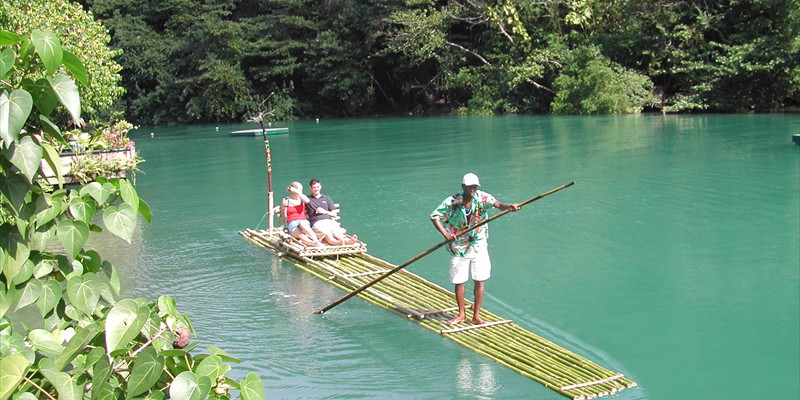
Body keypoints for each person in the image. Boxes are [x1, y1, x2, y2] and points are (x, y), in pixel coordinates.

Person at [430, 173, 520, 326]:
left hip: (478, 243)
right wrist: (446, 233)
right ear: (463, 187)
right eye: (470, 187)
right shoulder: (453, 201)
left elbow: (498, 204)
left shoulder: (482, 198)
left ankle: (476, 315)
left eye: (474, 187)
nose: (472, 189)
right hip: (459, 245)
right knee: (459, 281)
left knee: (479, 279)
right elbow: (434, 216)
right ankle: (461, 315)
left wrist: (509, 207)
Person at [306, 179, 358, 245]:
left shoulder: (327, 198)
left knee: (335, 231)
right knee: (327, 233)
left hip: (329, 220)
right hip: (317, 222)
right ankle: (339, 242)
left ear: (321, 187)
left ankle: (347, 241)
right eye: (314, 187)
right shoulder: (308, 199)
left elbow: (334, 214)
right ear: (310, 188)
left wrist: (325, 212)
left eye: (318, 187)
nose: (316, 189)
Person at [281, 181, 321, 246]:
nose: (300, 191)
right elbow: (284, 215)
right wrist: (283, 207)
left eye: (301, 190)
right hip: (292, 223)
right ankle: (313, 243)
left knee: (302, 223)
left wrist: (298, 192)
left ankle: (316, 241)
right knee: (300, 234)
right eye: (299, 190)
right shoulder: (286, 200)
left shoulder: (301, 198)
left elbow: (307, 201)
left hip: (303, 221)